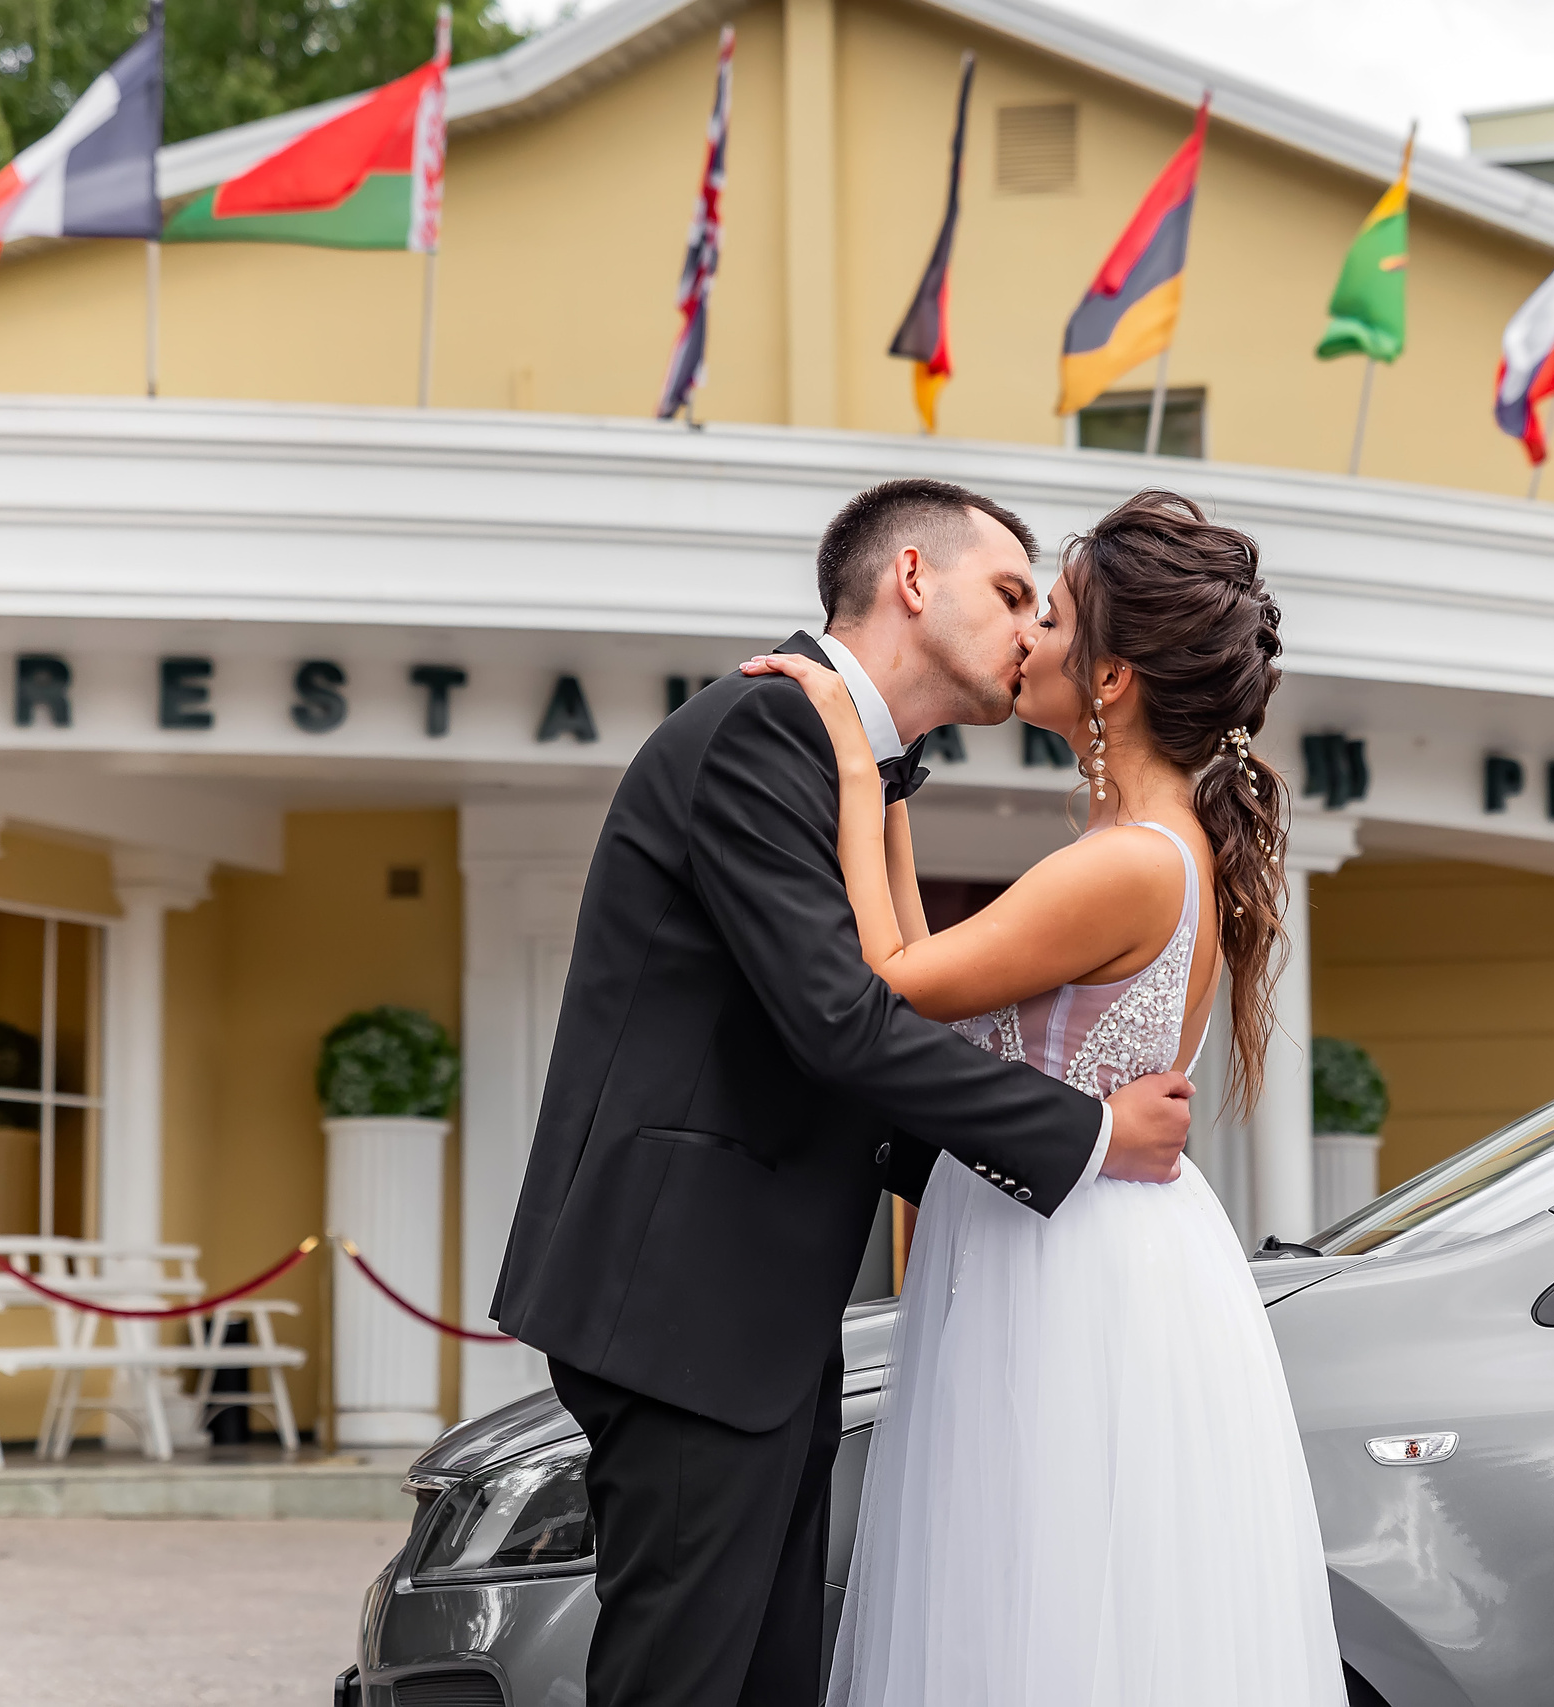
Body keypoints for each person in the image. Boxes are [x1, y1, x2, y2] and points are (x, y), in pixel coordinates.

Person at [489, 477, 1200, 1707]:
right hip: (682, 1305)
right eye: (1011, 594)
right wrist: (1085, 1134)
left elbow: (855, 1032)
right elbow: (840, 1024)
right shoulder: (763, 728)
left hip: (752, 1312)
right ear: (912, 578)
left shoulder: (858, 767)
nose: (1031, 630)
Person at [745, 488, 1347, 1707]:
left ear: (1111, 680)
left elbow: (889, 985)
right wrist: (891, 788)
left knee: (1039, 1588)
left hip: (1064, 1255)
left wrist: (852, 767)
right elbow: (933, 975)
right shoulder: (1155, 848)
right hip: (1078, 1223)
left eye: (1054, 618)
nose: (1026, 637)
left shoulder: (1124, 863)